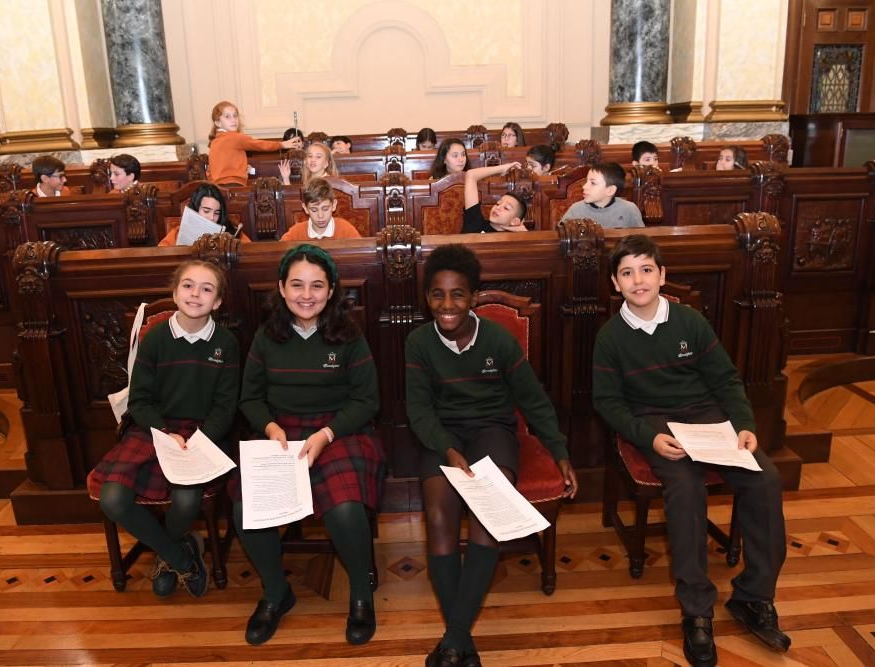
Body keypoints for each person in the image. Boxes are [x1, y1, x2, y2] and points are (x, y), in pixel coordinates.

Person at [592, 235, 789, 667]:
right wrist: (648, 437)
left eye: (646, 270)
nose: (638, 280)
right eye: (627, 272)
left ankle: (755, 597)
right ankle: (697, 610)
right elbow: (607, 402)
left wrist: (745, 426)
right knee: (684, 487)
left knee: (765, 478)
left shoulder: (690, 321)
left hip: (706, 416)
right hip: (655, 423)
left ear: (662, 276)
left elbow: (726, 380)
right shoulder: (609, 337)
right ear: (615, 282)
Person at [406, 244, 578, 667]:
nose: (447, 305)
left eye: (458, 294)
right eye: (437, 295)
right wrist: (447, 449)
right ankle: (462, 639)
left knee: (487, 519)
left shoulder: (497, 340)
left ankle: (453, 642)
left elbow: (534, 401)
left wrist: (560, 452)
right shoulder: (418, 342)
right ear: (427, 298)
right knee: (440, 519)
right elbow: (418, 410)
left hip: (492, 430)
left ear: (473, 297)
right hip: (441, 435)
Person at [233, 244, 384, 646]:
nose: (306, 294)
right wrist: (268, 427)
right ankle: (276, 592)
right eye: (297, 284)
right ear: (281, 288)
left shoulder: (349, 336)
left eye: (317, 285)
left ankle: (361, 594)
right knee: (245, 507)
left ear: (331, 290)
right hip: (280, 435)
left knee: (345, 508)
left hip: (338, 431)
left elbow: (367, 400)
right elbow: (249, 397)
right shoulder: (267, 337)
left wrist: (326, 434)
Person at [88, 259, 240, 599]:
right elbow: (139, 401)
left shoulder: (225, 343)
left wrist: (199, 440)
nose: (195, 294)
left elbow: (225, 406)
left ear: (217, 302)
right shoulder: (155, 338)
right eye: (188, 285)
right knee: (113, 498)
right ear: (175, 292)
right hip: (153, 429)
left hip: (201, 434)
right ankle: (179, 557)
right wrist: (162, 432)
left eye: (206, 288)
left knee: (186, 502)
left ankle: (169, 553)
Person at [208, 101, 302, 185]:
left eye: (235, 115)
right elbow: (260, 145)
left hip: (216, 187)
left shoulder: (214, 141)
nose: (233, 120)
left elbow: (210, 171)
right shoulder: (235, 137)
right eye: (227, 116)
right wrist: (282, 144)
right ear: (217, 122)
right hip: (233, 185)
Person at [158, 182, 251, 246]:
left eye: (217, 213)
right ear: (195, 209)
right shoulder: (178, 232)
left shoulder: (233, 232)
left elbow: (249, 253)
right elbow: (162, 255)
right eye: (206, 211)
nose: (212, 217)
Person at [559, 162, 644, 228]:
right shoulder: (576, 210)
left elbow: (641, 241)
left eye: (593, 183)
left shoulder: (629, 210)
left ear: (610, 190)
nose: (584, 186)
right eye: (586, 181)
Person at [281, 178, 362, 241]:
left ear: (334, 205)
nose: (320, 216)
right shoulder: (296, 233)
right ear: (305, 208)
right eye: (314, 210)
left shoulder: (346, 230)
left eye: (325, 209)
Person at [461, 162, 527, 233]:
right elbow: (471, 175)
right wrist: (502, 168)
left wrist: (525, 234)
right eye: (498, 204)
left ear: (514, 221)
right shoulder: (475, 222)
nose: (497, 208)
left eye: (506, 208)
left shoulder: (514, 239)